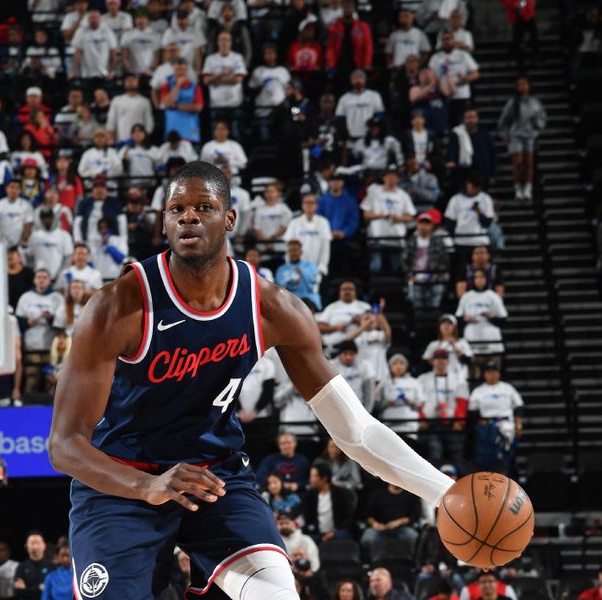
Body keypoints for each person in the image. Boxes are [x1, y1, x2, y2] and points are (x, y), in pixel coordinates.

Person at [47, 160, 456, 599]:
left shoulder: (274, 308)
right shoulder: (116, 306)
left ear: (229, 218)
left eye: (203, 206)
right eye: (175, 208)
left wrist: (447, 495)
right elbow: (64, 444)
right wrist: (149, 486)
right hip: (121, 486)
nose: (188, 216)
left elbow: (355, 432)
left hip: (215, 478)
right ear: (164, 221)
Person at [497, 77, 547, 202]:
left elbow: (542, 120)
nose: (522, 87)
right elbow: (503, 120)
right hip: (515, 136)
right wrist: (504, 135)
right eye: (519, 85)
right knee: (518, 163)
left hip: (530, 136)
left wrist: (536, 121)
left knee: (529, 163)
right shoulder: (512, 103)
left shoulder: (535, 103)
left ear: (529, 86)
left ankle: (528, 189)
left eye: (524, 84)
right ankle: (518, 188)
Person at [468, 363, 523, 474]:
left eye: (494, 371)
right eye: (489, 372)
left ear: (498, 373)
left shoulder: (508, 388)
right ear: (484, 374)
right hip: (487, 425)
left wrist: (519, 425)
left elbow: (518, 407)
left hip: (506, 424)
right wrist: (480, 421)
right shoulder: (479, 390)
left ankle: (506, 477)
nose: (492, 374)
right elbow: (472, 411)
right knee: (486, 457)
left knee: (506, 456)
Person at [417, 349, 469, 465]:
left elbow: (462, 401)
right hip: (430, 424)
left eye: (444, 358)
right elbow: (418, 401)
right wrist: (421, 419)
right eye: (438, 358)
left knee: (456, 456)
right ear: (432, 361)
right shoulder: (422, 379)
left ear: (448, 361)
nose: (441, 361)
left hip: (451, 423)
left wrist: (459, 422)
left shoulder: (458, 380)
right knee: (434, 454)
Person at [362, 166, 416, 273]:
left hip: (396, 238)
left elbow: (411, 215)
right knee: (375, 267)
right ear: (384, 178)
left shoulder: (403, 195)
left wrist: (399, 218)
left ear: (398, 179)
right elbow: (366, 214)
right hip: (377, 236)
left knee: (395, 268)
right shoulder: (374, 192)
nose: (391, 179)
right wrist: (382, 216)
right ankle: (375, 289)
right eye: (389, 176)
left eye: (394, 176)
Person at [455, 269, 508, 372]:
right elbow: (457, 320)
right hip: (472, 342)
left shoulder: (493, 296)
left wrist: (491, 318)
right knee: (474, 373)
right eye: (476, 277)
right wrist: (465, 319)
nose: (479, 280)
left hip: (492, 343)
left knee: (493, 372)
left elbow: (503, 319)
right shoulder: (466, 296)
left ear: (486, 279)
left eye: (482, 277)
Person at [202, 31, 247, 139]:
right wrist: (223, 74)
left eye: (227, 40)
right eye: (221, 40)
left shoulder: (237, 58)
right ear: (218, 42)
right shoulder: (210, 59)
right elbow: (206, 80)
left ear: (231, 42)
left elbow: (238, 79)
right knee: (216, 135)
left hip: (234, 103)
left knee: (235, 135)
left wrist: (216, 80)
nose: (224, 42)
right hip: (216, 104)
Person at [427, 31, 479, 126]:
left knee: (461, 124)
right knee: (446, 123)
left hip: (461, 94)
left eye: (449, 39)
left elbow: (475, 73)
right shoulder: (435, 58)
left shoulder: (463, 55)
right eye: (444, 40)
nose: (447, 42)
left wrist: (465, 79)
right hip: (443, 95)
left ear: (453, 40)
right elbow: (430, 75)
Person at [316, 172, 360, 277]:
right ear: (329, 183)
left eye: (338, 181)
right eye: (332, 180)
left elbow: (354, 221)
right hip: (326, 241)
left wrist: (344, 232)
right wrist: (328, 232)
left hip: (345, 242)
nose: (335, 183)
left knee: (345, 271)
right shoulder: (322, 201)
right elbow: (318, 219)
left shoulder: (350, 201)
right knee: (326, 271)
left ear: (342, 183)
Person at [405, 209, 449, 310]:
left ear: (432, 226)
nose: (424, 226)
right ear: (417, 225)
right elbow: (405, 261)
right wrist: (410, 276)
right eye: (421, 223)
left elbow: (444, 260)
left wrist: (436, 275)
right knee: (417, 306)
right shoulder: (411, 242)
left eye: (427, 223)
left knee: (434, 306)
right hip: (415, 278)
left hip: (434, 278)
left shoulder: (438, 242)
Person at [302, 461, 357, 542]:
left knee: (341, 536)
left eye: (314, 476)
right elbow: (307, 518)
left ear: (324, 478)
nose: (310, 479)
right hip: (317, 533)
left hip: (338, 531)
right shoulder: (309, 495)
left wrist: (334, 532)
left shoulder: (342, 493)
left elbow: (349, 517)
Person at [361, 482, 421, 554]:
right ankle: (371, 562)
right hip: (380, 527)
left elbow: (415, 515)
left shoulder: (411, 495)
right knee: (368, 537)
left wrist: (399, 522)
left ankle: (409, 560)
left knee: (412, 536)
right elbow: (367, 515)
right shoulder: (378, 493)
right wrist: (375, 524)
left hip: (402, 527)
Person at [374, 354, 424, 439]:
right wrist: (386, 403)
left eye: (401, 363)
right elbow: (375, 405)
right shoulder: (384, 383)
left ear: (406, 366)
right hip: (389, 426)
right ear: (390, 367)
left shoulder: (414, 382)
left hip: (410, 427)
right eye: (395, 363)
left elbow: (421, 405)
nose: (398, 366)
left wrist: (410, 402)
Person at [284, 194, 333, 279]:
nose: (309, 205)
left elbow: (325, 249)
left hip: (317, 270)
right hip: (296, 270)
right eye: (306, 202)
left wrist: (321, 269)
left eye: (312, 202)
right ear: (302, 205)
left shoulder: (323, 222)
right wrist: (290, 267)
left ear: (316, 206)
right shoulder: (294, 223)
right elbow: (288, 248)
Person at [316, 281, 371, 354]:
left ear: (355, 292)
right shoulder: (331, 307)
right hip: (333, 348)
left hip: (360, 348)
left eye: (350, 289)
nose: (347, 292)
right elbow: (319, 327)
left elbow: (374, 325)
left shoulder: (365, 306)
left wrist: (361, 322)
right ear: (339, 292)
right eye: (344, 289)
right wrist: (336, 328)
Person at [335, 70, 384, 141]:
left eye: (360, 78)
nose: (358, 80)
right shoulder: (344, 98)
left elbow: (380, 115)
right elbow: (339, 119)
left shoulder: (374, 95)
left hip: (368, 137)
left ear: (365, 80)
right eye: (355, 78)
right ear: (351, 81)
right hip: (350, 137)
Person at [107, 73, 155, 142]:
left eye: (133, 80)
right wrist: (111, 138)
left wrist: (145, 138)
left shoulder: (144, 101)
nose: (131, 82)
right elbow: (111, 121)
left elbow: (149, 122)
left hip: (139, 141)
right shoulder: (117, 100)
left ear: (137, 83)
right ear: (124, 83)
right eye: (128, 81)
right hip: (122, 139)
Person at [276, 239, 322, 309]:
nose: (293, 253)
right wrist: (290, 278)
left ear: (301, 252)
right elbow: (279, 287)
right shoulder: (281, 269)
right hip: (290, 297)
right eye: (290, 251)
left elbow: (315, 281)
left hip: (308, 296)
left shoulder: (309, 265)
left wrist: (302, 272)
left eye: (295, 250)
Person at [329, 340, 374, 411]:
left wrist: (367, 412)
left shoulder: (364, 366)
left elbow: (369, 392)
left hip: (358, 409)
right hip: (337, 410)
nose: (348, 357)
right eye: (345, 354)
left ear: (356, 354)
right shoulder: (330, 366)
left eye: (351, 354)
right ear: (340, 354)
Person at [14, 531, 55, 598]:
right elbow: (18, 592)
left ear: (44, 545)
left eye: (38, 543)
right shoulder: (21, 567)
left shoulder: (52, 567)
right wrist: (39, 588)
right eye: (32, 543)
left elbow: (53, 590)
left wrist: (26, 589)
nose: (35, 547)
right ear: (26, 545)